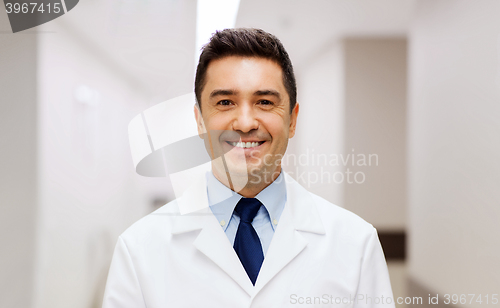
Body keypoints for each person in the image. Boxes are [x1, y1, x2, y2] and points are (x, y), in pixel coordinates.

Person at [102, 28, 394, 307]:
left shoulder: (355, 243)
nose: (244, 123)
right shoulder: (139, 249)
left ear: (292, 120)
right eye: (225, 102)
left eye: (265, 102)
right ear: (200, 122)